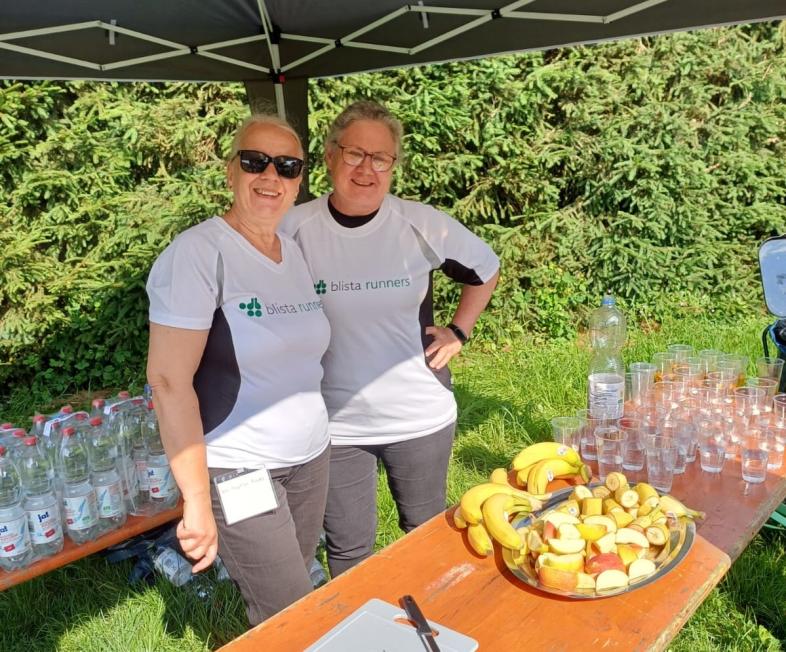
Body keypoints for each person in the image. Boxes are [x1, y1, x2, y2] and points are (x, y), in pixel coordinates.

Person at [280, 100, 500, 576]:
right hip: (335, 425)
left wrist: (459, 330)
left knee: (426, 536)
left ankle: (434, 632)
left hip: (417, 414)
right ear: (330, 155)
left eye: (381, 159)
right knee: (349, 552)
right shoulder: (294, 229)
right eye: (356, 154)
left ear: (394, 166)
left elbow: (486, 268)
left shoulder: (421, 224)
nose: (367, 169)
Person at [145, 114, 331, 626]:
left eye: (288, 166)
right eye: (256, 161)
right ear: (231, 171)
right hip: (241, 466)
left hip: (311, 457)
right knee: (291, 613)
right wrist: (197, 500)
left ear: (299, 180)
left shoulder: (292, 252)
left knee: (303, 585)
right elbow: (167, 382)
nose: (271, 176)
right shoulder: (199, 255)